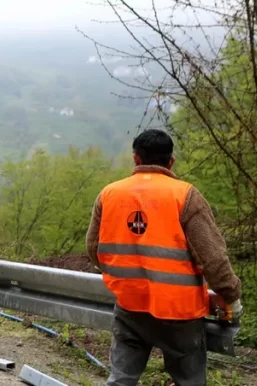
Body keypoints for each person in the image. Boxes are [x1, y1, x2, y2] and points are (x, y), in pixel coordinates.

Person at [86, 129, 243, 386]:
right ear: (171, 161)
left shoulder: (109, 195)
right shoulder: (186, 196)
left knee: (121, 380)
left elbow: (94, 247)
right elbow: (213, 258)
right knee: (189, 381)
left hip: (129, 306)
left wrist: (125, 275)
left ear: (136, 159)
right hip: (179, 312)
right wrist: (231, 295)